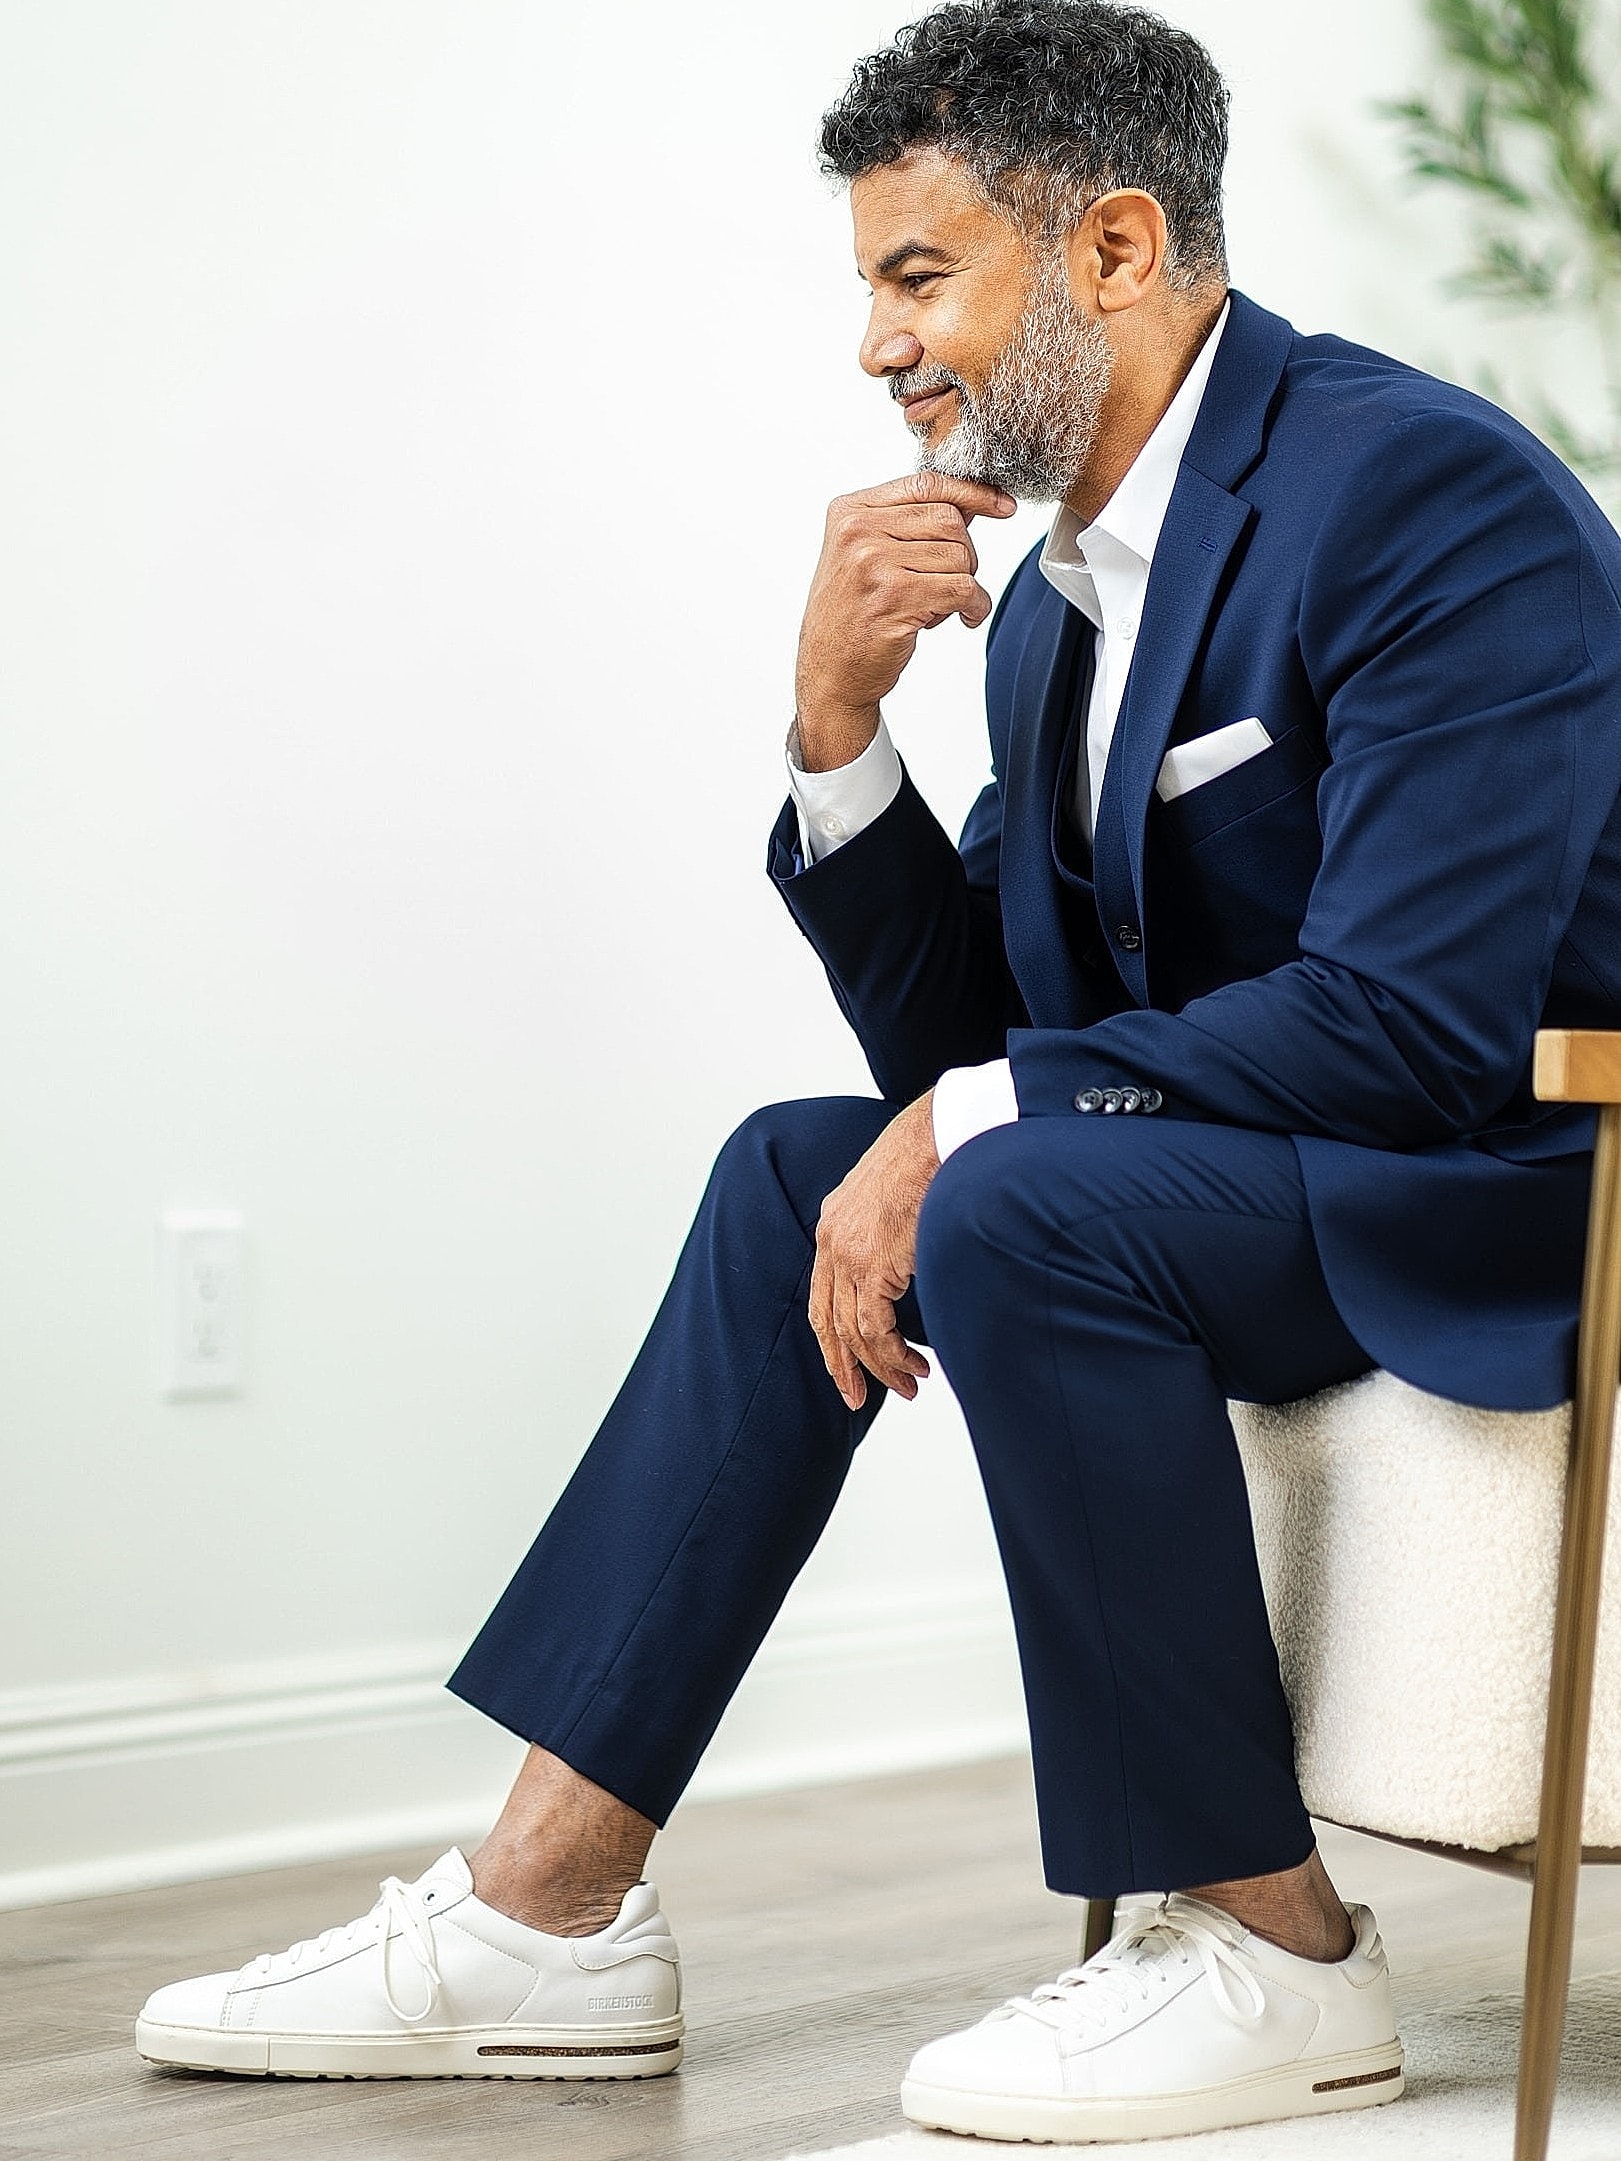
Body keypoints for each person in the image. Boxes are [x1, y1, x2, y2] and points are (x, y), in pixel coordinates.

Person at [134, 0, 1621, 2142]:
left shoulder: (1421, 496)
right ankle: (548, 1911)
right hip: (1277, 1169)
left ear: (1113, 247)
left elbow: (1411, 1027)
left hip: (1494, 1178)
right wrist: (840, 736)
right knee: (787, 1174)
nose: (874, 346)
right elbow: (972, 1055)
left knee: (994, 1172)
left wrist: (978, 1120)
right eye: (869, 286)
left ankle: (1275, 1943)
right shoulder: (1048, 612)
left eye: (916, 276)